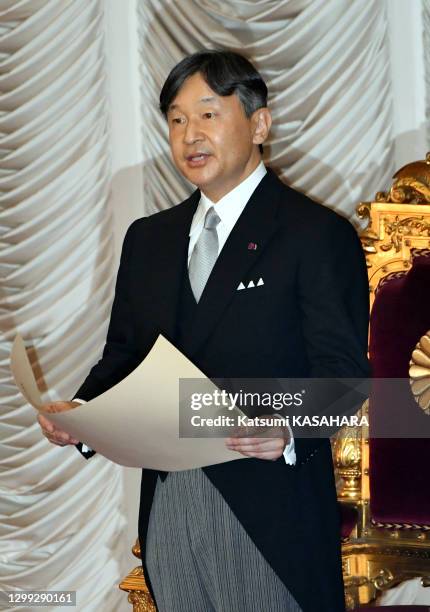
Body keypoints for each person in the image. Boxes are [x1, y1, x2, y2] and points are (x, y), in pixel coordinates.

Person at [38, 49, 370, 611]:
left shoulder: (314, 234)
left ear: (258, 122)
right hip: (168, 505)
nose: (190, 134)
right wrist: (83, 413)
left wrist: (288, 430)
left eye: (208, 114)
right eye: (176, 119)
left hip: (270, 510)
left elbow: (346, 378)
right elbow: (123, 356)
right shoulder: (149, 239)